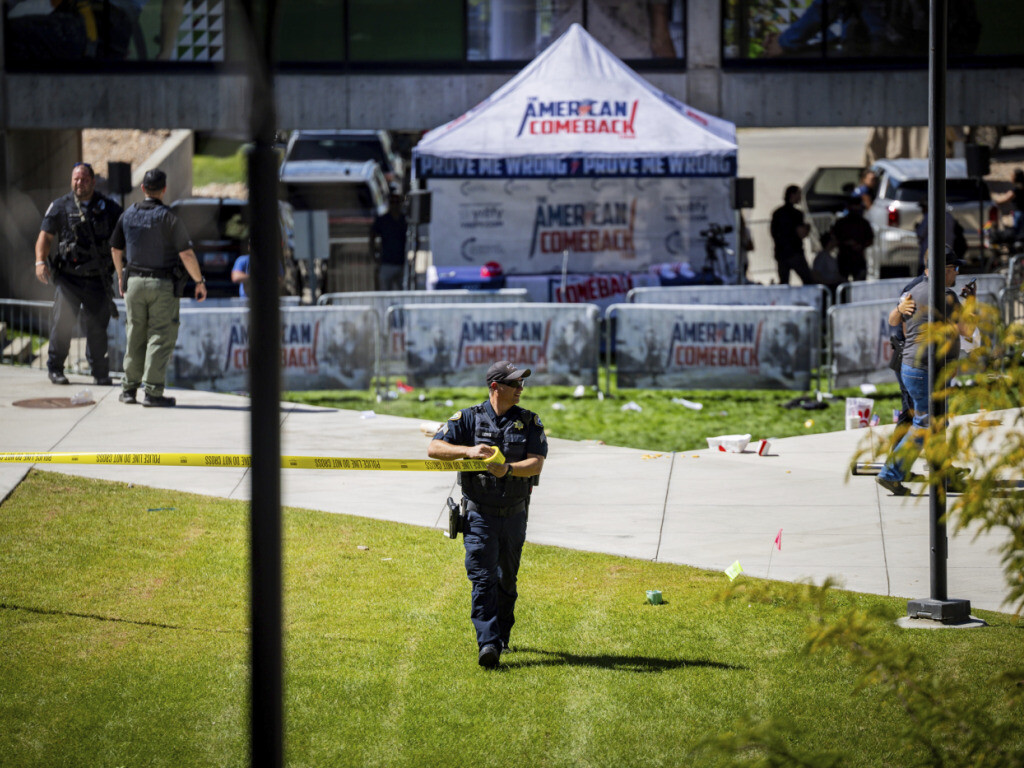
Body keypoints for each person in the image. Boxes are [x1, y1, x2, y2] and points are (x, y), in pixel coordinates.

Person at [427, 361, 547, 668]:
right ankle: (488, 643)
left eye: (522, 383)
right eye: (515, 384)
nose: (521, 389)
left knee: (507, 578)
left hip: (515, 515)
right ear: (495, 387)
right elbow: (435, 449)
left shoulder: (529, 421)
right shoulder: (467, 419)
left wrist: (507, 469)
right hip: (479, 515)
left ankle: (502, 635)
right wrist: (466, 451)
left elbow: (535, 463)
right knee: (482, 579)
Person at [876, 247, 976, 496]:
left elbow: (903, 326)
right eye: (954, 269)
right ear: (945, 271)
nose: (956, 274)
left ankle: (943, 474)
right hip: (925, 370)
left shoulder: (915, 291)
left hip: (915, 367)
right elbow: (968, 330)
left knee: (935, 422)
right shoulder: (946, 296)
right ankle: (891, 472)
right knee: (925, 424)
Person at [110, 168, 207, 407]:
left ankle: (129, 390)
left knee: (135, 335)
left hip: (133, 283)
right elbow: (186, 253)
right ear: (164, 190)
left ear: (142, 188)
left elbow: (115, 249)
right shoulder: (169, 218)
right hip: (161, 285)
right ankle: (152, 392)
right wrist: (199, 281)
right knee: (159, 336)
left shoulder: (127, 215)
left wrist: (121, 277)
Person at [35, 161, 123, 386]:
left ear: (93, 181)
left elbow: (123, 238)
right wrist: (40, 261)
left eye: (84, 179)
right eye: (76, 179)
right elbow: (45, 237)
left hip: (98, 280)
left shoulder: (109, 208)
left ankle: (100, 373)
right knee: (62, 325)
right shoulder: (60, 206)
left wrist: (124, 271)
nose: (79, 183)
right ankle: (55, 369)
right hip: (68, 280)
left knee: (97, 330)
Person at [769, 185, 814, 286]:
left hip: (781, 253)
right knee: (808, 281)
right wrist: (807, 228)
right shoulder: (796, 214)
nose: (800, 197)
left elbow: (773, 232)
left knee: (784, 282)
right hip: (795, 253)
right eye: (798, 194)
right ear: (792, 195)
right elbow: (801, 233)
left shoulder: (777, 213)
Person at [369, 193, 408, 291]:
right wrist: (373, 254)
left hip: (401, 263)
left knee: (403, 294)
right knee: (385, 294)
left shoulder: (405, 220)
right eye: (392, 202)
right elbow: (372, 234)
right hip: (386, 263)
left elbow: (412, 238)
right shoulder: (383, 220)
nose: (394, 205)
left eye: (397, 202)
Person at [832, 193, 874, 282]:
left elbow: (870, 240)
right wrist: (847, 243)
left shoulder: (863, 223)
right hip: (844, 258)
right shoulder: (841, 223)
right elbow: (835, 238)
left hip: (857, 259)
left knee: (859, 284)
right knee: (842, 283)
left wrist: (860, 245)